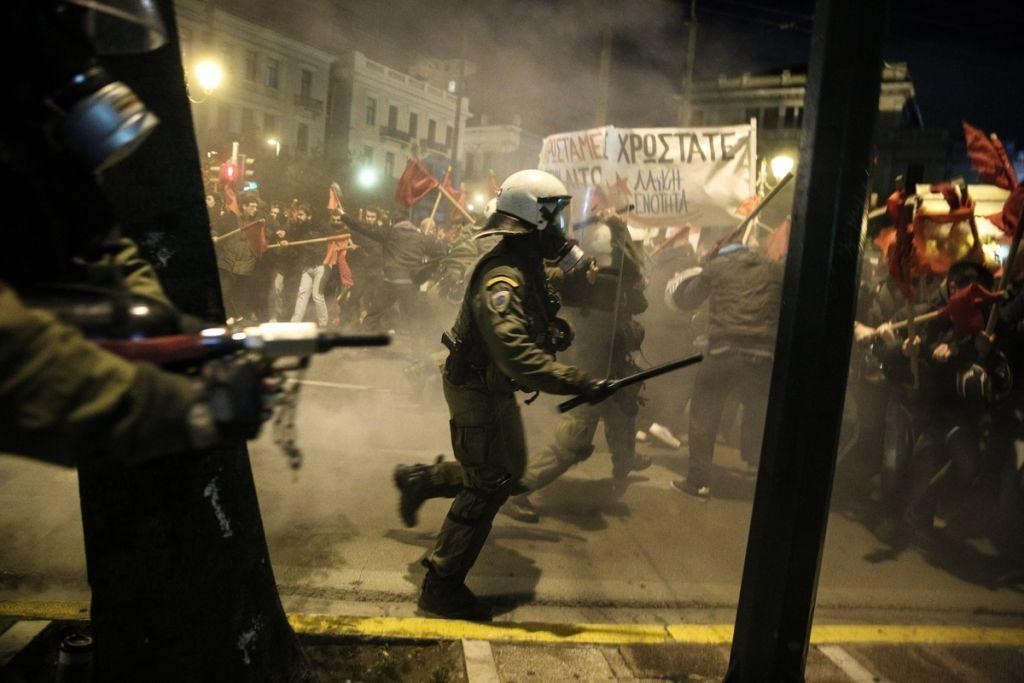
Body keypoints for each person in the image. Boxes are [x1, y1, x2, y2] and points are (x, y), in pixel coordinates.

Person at [0, 0, 271, 468]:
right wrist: (188, 409)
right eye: (67, 27)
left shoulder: (29, 138)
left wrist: (167, 330)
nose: (80, 54)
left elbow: (99, 243)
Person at [393, 169, 612, 620]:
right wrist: (575, 380)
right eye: (554, 219)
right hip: (475, 385)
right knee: (490, 483)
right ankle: (441, 584)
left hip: (491, 383)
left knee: (506, 473)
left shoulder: (524, 263)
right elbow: (514, 354)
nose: (560, 229)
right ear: (532, 222)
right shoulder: (502, 278)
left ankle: (424, 481)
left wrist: (566, 303)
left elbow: (539, 296)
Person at [503, 208, 652, 523]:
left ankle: (626, 463)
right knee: (575, 438)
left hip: (605, 364)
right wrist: (617, 226)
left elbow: (635, 287)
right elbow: (632, 268)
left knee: (623, 414)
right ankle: (517, 490)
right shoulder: (600, 279)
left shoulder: (583, 271)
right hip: (590, 368)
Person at [664, 238, 785, 500]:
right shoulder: (774, 270)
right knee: (761, 414)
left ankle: (698, 482)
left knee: (704, 414)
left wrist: (703, 266)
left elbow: (688, 299)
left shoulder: (716, 266)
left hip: (724, 351)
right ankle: (760, 474)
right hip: (763, 355)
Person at [288, 204, 330, 326]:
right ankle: (295, 323)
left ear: (309, 216)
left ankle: (323, 324)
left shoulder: (320, 225)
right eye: (298, 214)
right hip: (307, 266)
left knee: (317, 295)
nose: (298, 217)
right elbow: (292, 240)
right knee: (302, 293)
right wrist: (285, 240)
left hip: (321, 265)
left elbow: (331, 237)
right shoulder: (299, 228)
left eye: (301, 215)